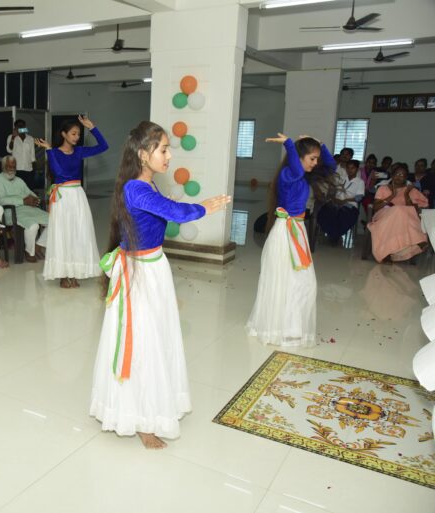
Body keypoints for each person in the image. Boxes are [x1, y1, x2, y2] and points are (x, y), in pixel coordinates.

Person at [90, 121, 230, 449]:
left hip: (154, 268)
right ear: (143, 154)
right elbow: (174, 213)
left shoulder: (148, 184)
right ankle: (141, 419)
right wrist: (204, 206)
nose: (169, 155)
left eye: (168, 149)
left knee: (157, 338)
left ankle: (154, 404)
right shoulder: (135, 189)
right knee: (143, 344)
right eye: (163, 149)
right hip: (139, 274)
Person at [247, 133, 335, 347]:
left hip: (297, 230)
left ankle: (292, 327)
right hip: (285, 232)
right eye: (312, 158)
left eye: (316, 159)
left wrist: (321, 144)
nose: (315, 163)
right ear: (299, 156)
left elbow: (331, 166)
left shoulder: (304, 176)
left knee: (302, 282)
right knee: (288, 280)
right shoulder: (288, 174)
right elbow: (296, 169)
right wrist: (289, 144)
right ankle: (282, 328)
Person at [36, 115, 108, 288]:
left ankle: (74, 272)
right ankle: (63, 274)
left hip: (77, 195)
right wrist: (49, 150)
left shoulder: (80, 151)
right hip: (62, 196)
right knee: (62, 233)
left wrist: (92, 127)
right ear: (64, 134)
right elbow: (59, 173)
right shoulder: (54, 152)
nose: (77, 137)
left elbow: (103, 146)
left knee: (79, 232)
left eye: (78, 134)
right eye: (73, 133)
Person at [368, 163, 428, 263]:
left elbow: (414, 210)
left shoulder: (411, 190)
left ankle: (392, 252)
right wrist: (391, 196)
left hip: (405, 220)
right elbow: (376, 207)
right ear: (392, 176)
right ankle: (386, 252)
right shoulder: (383, 188)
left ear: (406, 178)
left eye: (402, 175)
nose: (399, 177)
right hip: (383, 216)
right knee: (398, 210)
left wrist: (406, 194)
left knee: (402, 211)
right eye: (397, 174)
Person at [0, 155, 48, 262]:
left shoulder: (19, 180)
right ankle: (29, 252)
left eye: (14, 166)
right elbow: (0, 200)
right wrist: (23, 201)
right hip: (10, 211)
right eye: (9, 166)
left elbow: (29, 193)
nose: (12, 169)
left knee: (54, 221)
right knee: (33, 225)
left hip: (28, 209)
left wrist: (35, 199)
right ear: (3, 166)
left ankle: (38, 246)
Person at [317, 159, 365, 243]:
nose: (350, 170)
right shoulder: (341, 179)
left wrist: (345, 200)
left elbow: (359, 198)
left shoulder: (360, 182)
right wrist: (334, 198)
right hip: (335, 202)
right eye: (348, 168)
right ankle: (331, 234)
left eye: (352, 168)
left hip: (349, 204)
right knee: (325, 212)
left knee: (342, 216)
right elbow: (333, 191)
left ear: (357, 169)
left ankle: (335, 236)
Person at [6, 119, 39, 189]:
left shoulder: (30, 138)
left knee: (28, 189)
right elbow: (9, 150)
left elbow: (32, 155)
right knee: (17, 189)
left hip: (28, 169)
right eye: (18, 126)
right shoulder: (11, 137)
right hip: (16, 169)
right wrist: (13, 137)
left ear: (25, 127)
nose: (20, 127)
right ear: (15, 127)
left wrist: (34, 170)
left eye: (22, 126)